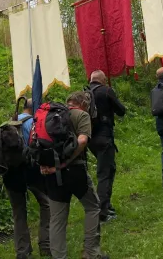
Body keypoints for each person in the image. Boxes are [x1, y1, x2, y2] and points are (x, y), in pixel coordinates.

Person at [40, 92, 108, 259]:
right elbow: (83, 140)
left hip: (51, 174)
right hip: (75, 172)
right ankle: (91, 253)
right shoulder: (81, 115)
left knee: (57, 219)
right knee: (92, 207)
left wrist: (53, 166)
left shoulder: (49, 117)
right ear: (83, 104)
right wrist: (64, 163)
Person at [7, 98, 50, 259]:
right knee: (46, 204)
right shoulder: (35, 121)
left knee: (18, 212)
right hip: (32, 170)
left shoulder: (9, 122)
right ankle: (46, 245)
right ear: (35, 108)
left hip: (11, 173)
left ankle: (22, 252)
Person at [87, 70, 126, 222]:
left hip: (90, 138)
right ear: (103, 80)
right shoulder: (106, 91)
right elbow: (121, 110)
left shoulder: (85, 93)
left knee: (109, 168)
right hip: (104, 137)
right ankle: (102, 211)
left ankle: (106, 204)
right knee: (105, 172)